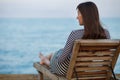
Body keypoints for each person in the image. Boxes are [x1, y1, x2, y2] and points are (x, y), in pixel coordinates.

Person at [39, 1, 110, 76]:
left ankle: (46, 60)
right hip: (90, 70)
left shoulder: (75, 34)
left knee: (58, 54)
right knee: (62, 52)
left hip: (69, 71)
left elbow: (60, 60)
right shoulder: (106, 33)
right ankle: (48, 56)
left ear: (86, 15)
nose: (77, 17)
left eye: (79, 13)